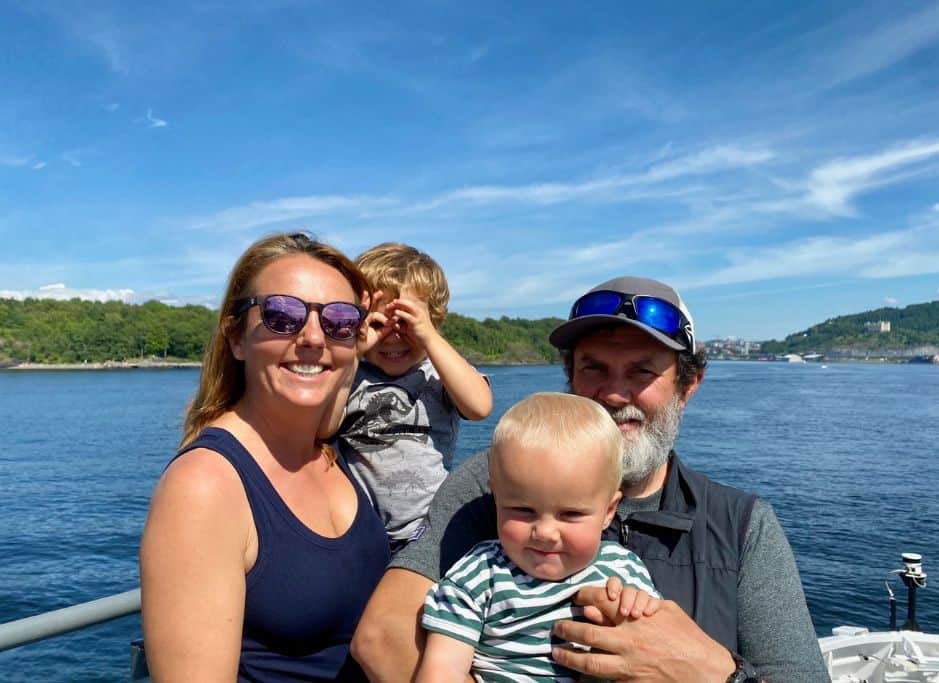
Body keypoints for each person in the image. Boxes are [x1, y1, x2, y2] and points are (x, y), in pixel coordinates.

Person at [352, 276, 830, 683]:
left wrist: (717, 674)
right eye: (593, 368)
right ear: (570, 378)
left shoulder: (741, 526)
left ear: (689, 385)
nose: (615, 393)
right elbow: (382, 635)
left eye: (642, 371)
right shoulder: (492, 484)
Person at [140, 232, 390, 681]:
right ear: (236, 338)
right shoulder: (205, 486)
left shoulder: (326, 449)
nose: (313, 336)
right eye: (282, 315)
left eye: (339, 320)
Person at [417, 392, 660, 682]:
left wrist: (640, 609)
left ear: (608, 511)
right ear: (496, 498)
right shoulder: (480, 575)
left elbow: (651, 652)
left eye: (570, 514)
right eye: (523, 510)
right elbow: (442, 669)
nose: (545, 533)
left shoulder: (624, 572)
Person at [325, 242, 492, 553]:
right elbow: (323, 427)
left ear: (433, 320)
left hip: (430, 528)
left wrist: (428, 336)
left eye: (407, 322)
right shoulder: (349, 374)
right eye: (377, 323)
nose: (392, 335)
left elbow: (480, 406)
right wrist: (352, 353)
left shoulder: (441, 371)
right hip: (362, 532)